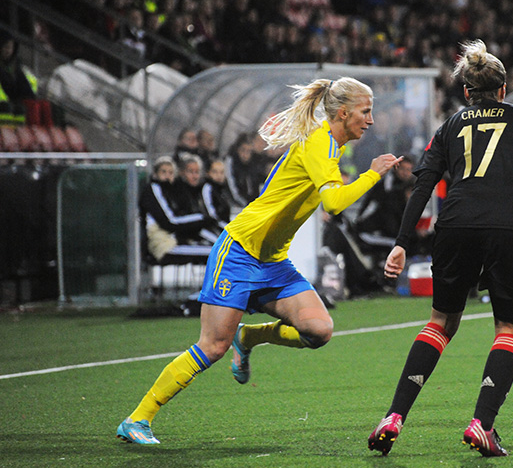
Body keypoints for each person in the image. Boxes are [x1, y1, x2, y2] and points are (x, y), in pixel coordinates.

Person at [117, 76, 402, 444]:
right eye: (366, 111)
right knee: (212, 347)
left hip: (272, 262)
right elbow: (332, 204)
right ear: (344, 113)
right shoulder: (321, 143)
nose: (372, 120)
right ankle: (138, 418)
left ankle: (249, 336)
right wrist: (372, 175)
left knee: (319, 330)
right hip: (239, 252)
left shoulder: (328, 144)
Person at [367, 40, 513, 458]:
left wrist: (401, 243)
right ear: (504, 89)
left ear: (467, 93)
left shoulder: (449, 127)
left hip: (456, 226)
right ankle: (482, 424)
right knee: (509, 328)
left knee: (440, 323)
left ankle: (393, 417)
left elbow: (423, 184)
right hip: (509, 229)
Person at [138, 156, 214, 263]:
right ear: (155, 174)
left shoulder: (171, 192)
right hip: (163, 245)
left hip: (174, 241)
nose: (167, 176)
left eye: (170, 173)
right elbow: (169, 222)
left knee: (220, 251)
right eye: (163, 172)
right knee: (219, 253)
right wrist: (202, 219)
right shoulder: (154, 189)